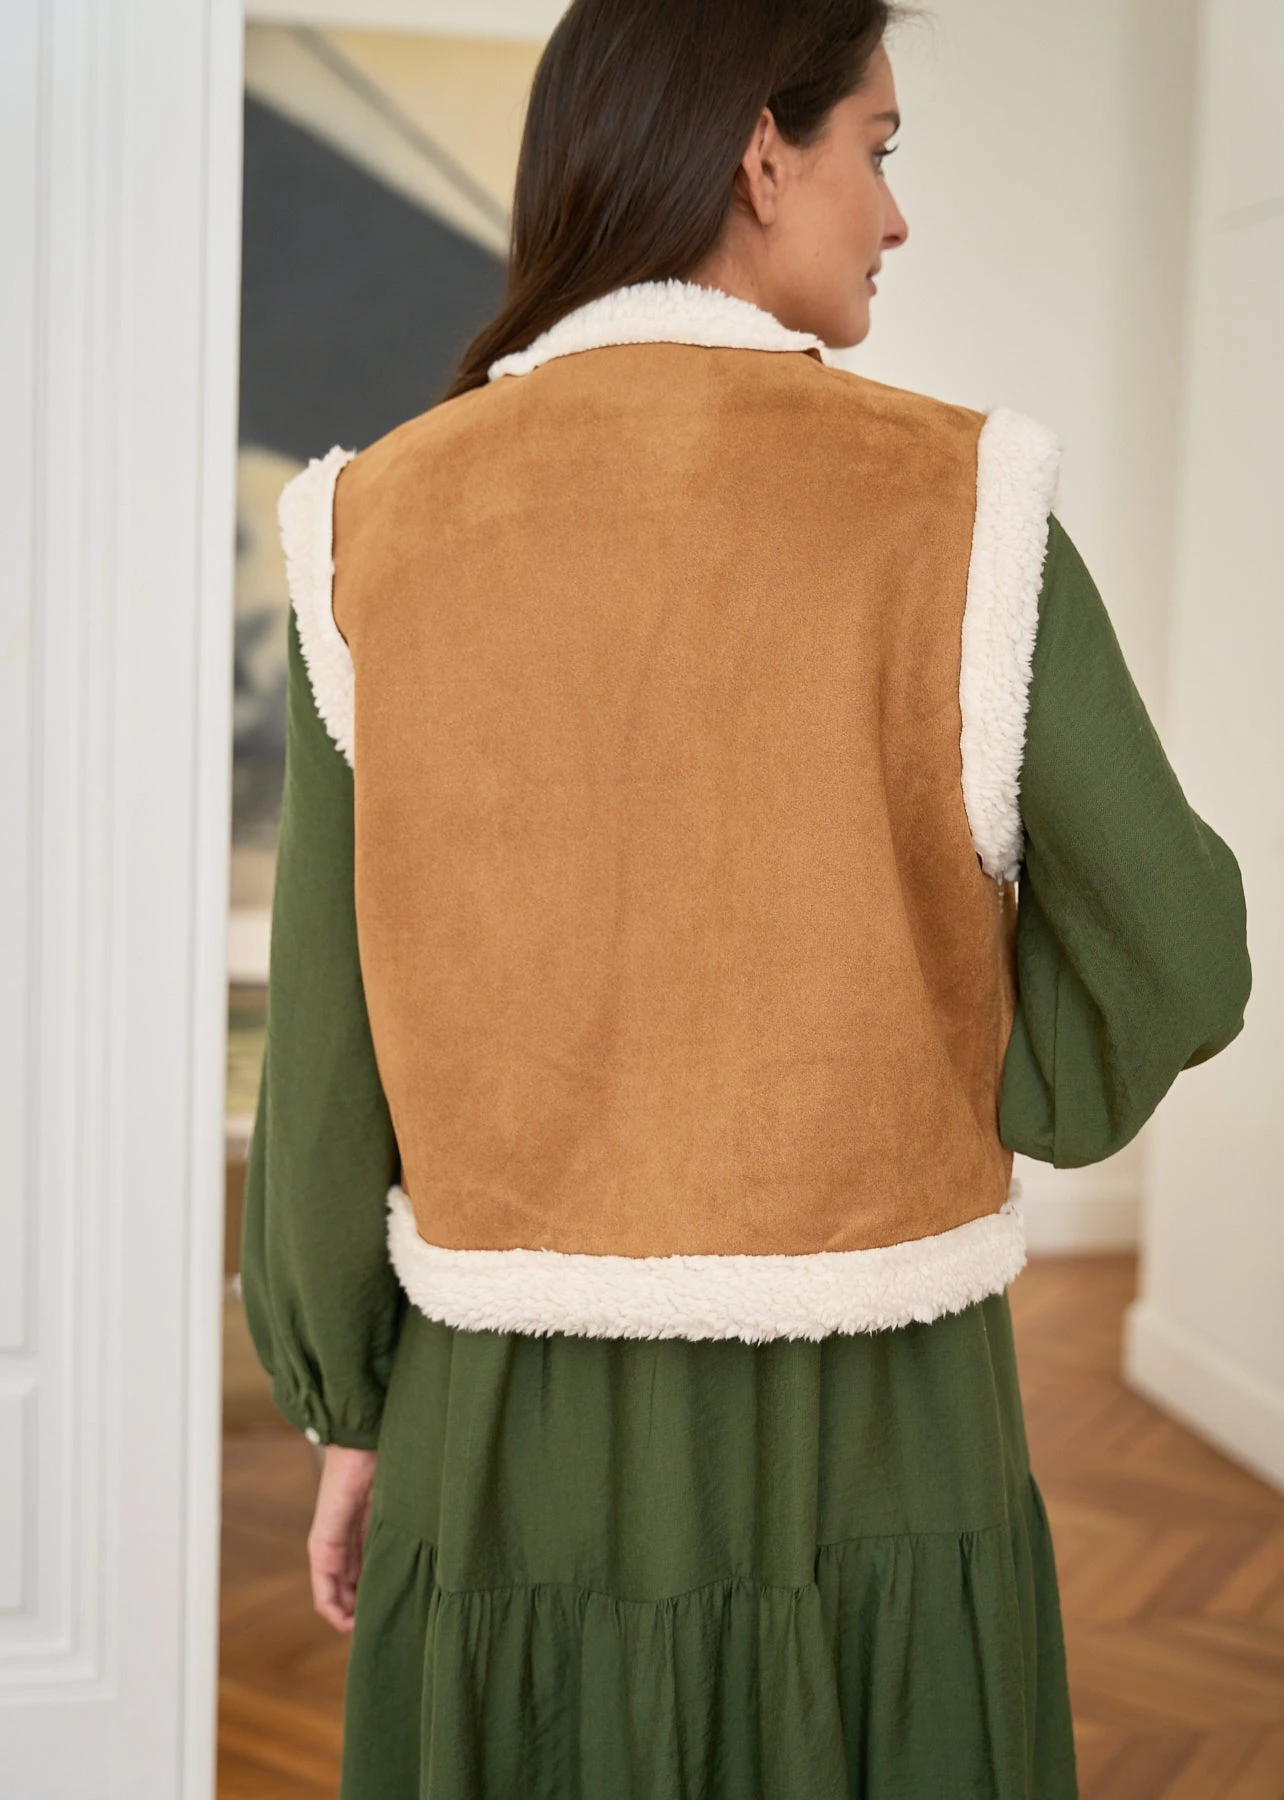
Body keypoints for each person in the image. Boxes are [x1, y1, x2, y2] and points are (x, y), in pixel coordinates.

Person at [240, 1, 1252, 1794]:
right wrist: (967, 1072)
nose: (896, 211)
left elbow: (327, 1059)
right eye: (878, 147)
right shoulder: (964, 502)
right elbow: (1176, 946)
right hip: (885, 1417)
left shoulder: (372, 525)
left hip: (500, 1426)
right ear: (759, 153)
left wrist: (350, 1411)